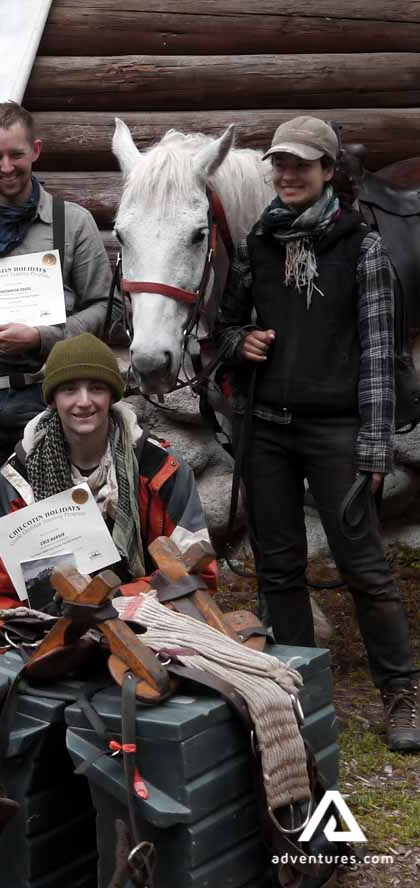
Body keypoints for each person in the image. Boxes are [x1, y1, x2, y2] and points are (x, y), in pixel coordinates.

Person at [213, 116, 419, 751]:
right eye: (280, 164)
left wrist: (374, 445)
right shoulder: (258, 245)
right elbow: (223, 329)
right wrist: (238, 343)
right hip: (268, 432)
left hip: (338, 432)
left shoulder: (362, 248)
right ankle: (301, 692)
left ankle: (403, 695)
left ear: (330, 171)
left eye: (302, 164)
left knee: (365, 568)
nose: (288, 174)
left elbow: (381, 354)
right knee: (278, 570)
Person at [0, 333, 212, 652]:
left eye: (96, 388)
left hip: (147, 630)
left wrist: (111, 604)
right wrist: (28, 646)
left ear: (112, 396)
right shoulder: (20, 476)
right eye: (69, 389)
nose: (83, 401)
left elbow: (196, 574)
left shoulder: (159, 469)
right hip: (52, 639)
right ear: (52, 399)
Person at [0, 101, 113, 466]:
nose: (7, 167)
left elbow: (108, 308)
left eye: (17, 154)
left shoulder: (73, 223)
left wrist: (41, 338)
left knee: (51, 512)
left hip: (50, 395)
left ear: (36, 151)